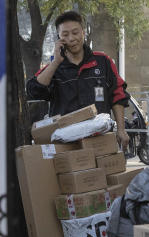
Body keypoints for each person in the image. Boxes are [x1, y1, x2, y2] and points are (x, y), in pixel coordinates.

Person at [26, 10, 130, 151]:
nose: (71, 38)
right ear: (59, 38)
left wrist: (121, 130)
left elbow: (118, 95)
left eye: (75, 33)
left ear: (83, 33)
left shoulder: (103, 61)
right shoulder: (54, 67)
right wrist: (56, 62)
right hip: (65, 144)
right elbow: (34, 91)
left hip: (100, 140)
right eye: (65, 34)